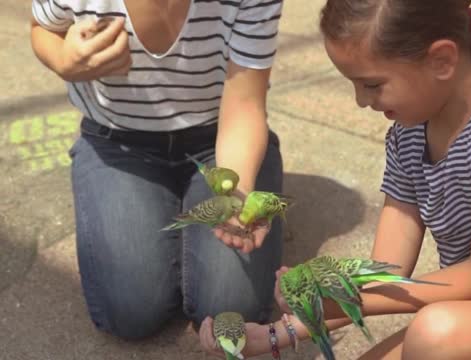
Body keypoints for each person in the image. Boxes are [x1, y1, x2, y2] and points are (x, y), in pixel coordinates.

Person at [199, 0, 471, 359]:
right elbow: (384, 273)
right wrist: (280, 333)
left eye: (372, 85)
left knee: (437, 333)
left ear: (442, 59)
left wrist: (349, 299)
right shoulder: (409, 134)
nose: (360, 101)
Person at [30, 0, 285, 339]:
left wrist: (239, 192)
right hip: (117, 141)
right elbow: (43, 27)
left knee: (231, 310)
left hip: (218, 137)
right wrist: (65, 61)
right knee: (130, 311)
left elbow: (245, 103)